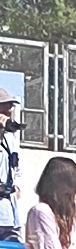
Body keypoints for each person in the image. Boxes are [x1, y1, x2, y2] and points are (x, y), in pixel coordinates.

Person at [0, 88, 22, 239]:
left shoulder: (10, 139)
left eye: (10, 106)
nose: (9, 110)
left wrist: (17, 185)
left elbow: (17, 167)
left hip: (9, 213)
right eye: (4, 106)